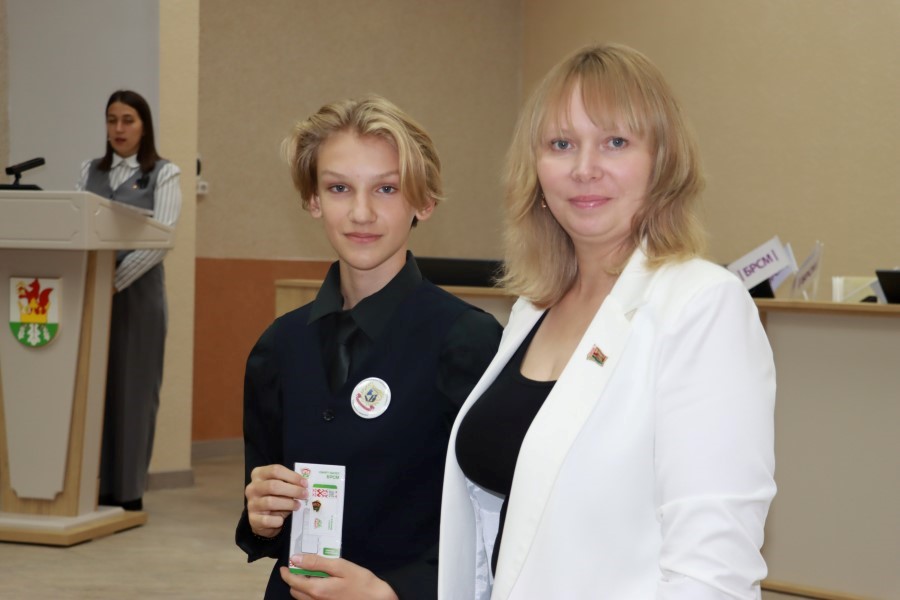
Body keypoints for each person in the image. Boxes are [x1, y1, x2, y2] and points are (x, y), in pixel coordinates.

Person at [439, 43, 776, 599]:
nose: (584, 168)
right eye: (561, 144)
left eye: (615, 142)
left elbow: (713, 572)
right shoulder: (532, 309)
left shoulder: (702, 305)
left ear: (663, 162)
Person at [236, 95, 503, 599]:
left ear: (424, 201)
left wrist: (392, 592)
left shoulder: (468, 341)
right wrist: (261, 515)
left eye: (387, 188)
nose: (362, 213)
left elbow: (497, 521)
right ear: (313, 200)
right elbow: (266, 516)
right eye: (339, 188)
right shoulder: (279, 346)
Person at [77, 90, 182, 511]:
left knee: (135, 390)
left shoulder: (164, 173)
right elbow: (77, 227)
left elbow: (162, 238)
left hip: (137, 295)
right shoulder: (88, 171)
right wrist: (97, 283)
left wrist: (115, 281)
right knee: (95, 389)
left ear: (144, 125)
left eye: (128, 120)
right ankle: (97, 485)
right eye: (112, 120)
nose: (118, 129)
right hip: (92, 293)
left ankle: (129, 490)